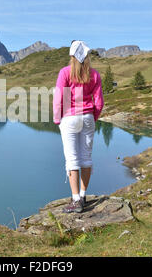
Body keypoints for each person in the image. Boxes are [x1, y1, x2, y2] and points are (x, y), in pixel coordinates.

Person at [53, 40, 104, 213]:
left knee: (72, 159)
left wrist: (57, 119)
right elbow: (99, 102)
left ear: (71, 56)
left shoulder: (65, 73)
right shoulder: (94, 75)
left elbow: (60, 98)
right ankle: (83, 195)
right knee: (86, 157)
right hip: (88, 117)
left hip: (70, 118)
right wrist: (93, 117)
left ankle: (76, 200)